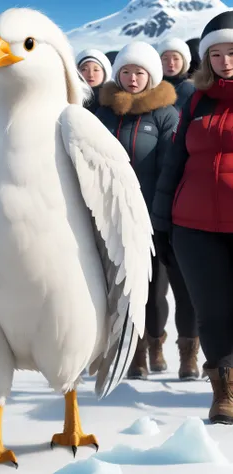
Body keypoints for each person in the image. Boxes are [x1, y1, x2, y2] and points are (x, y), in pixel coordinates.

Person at [152, 11, 233, 424]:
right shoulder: (196, 101)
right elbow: (174, 163)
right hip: (194, 226)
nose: (224, 61)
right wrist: (163, 223)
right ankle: (224, 392)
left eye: (232, 51)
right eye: (215, 53)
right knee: (212, 310)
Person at [95, 42, 183, 380]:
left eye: (139, 72)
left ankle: (155, 342)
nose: (132, 79)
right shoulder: (103, 111)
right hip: (108, 213)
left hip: (150, 215)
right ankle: (131, 351)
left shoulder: (165, 114)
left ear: (152, 76)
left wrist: (160, 214)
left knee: (153, 289)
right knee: (118, 286)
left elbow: (169, 166)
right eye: (126, 72)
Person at [158, 38, 196, 110]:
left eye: (176, 59)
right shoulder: (151, 89)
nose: (171, 63)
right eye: (165, 59)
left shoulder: (194, 89)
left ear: (184, 61)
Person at [76, 49, 112, 113]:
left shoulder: (114, 103)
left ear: (105, 73)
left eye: (96, 70)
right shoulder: (69, 99)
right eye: (84, 69)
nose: (90, 75)